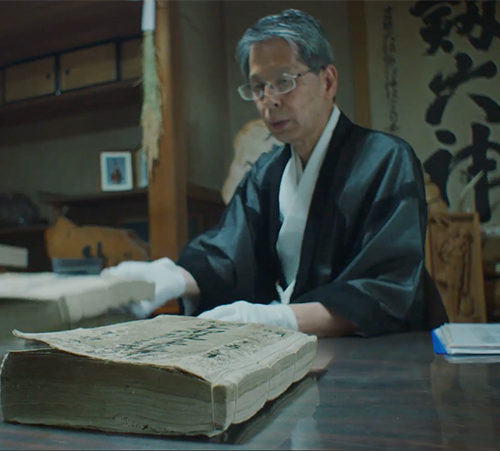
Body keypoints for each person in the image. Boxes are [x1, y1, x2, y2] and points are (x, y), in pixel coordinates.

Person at [102, 9, 446, 337]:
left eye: (283, 81)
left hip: (381, 361)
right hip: (297, 352)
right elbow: (227, 256)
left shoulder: (385, 160)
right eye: (257, 87)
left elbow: (386, 289)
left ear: (327, 81)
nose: (269, 100)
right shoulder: (267, 172)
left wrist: (278, 317)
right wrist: (168, 277)